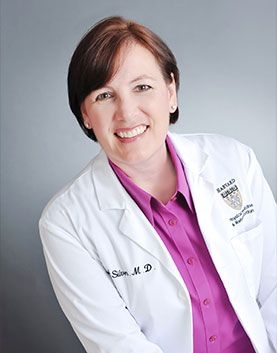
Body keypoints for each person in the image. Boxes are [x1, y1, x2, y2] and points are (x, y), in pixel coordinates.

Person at [39, 16, 277, 353]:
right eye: (104, 95)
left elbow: (274, 285)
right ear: (86, 115)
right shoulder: (66, 222)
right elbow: (118, 345)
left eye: (142, 87)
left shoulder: (234, 161)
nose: (126, 112)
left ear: (171, 91)